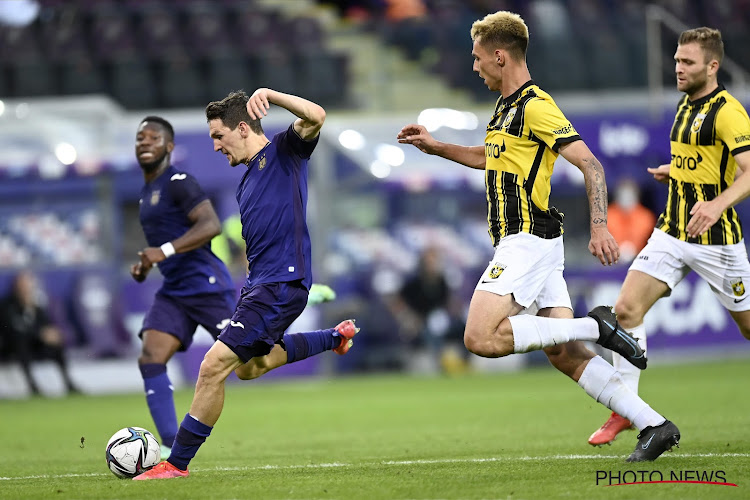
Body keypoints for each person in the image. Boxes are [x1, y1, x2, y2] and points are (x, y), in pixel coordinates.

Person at [397, 10, 678, 462]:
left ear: (500, 56)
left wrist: (601, 224)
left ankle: (598, 325)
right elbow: (490, 157)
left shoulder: (535, 106)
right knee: (564, 353)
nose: (474, 66)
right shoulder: (505, 109)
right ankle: (654, 425)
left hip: (525, 238)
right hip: (537, 244)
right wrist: (438, 146)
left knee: (479, 338)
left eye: (477, 58)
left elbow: (591, 164)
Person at [134, 88, 358, 480]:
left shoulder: (284, 152)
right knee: (250, 367)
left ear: (242, 128)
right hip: (260, 287)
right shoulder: (245, 182)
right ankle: (334, 338)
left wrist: (270, 94)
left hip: (281, 284)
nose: (216, 147)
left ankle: (176, 464)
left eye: (218, 137)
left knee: (212, 365)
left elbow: (317, 115)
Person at [587, 27, 750, 447]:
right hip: (671, 232)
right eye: (676, 60)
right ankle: (626, 409)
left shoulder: (729, 112)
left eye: (688, 62)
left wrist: (716, 204)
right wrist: (673, 172)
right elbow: (700, 163)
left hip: (716, 241)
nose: (678, 68)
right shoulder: (682, 106)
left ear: (712, 67)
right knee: (624, 311)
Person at [131, 116, 238, 460]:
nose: (145, 142)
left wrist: (160, 252)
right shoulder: (146, 194)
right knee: (151, 357)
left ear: (169, 147)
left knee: (254, 363)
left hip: (206, 286)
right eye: (140, 138)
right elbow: (164, 244)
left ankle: (326, 338)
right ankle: (168, 445)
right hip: (175, 289)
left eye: (153, 137)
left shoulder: (179, 181)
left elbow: (211, 225)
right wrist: (148, 263)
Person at [0, 270, 80, 396]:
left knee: (56, 344)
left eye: (29, 284)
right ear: (16, 286)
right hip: (13, 347)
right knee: (20, 342)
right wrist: (39, 334)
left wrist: (51, 334)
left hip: (35, 345)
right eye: (23, 284)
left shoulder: (36, 306)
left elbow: (45, 325)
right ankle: (32, 385)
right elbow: (13, 328)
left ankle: (68, 382)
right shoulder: (7, 305)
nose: (27, 287)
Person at [389, 246, 467, 373]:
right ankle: (443, 363)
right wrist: (408, 317)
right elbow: (397, 301)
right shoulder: (414, 281)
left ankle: (465, 361)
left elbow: (448, 302)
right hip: (421, 322)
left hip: (441, 319)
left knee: (465, 327)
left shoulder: (442, 281)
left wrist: (456, 313)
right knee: (431, 333)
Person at [606, 178, 656, 262]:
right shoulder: (607, 215)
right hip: (611, 260)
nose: (626, 200)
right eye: (623, 197)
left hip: (641, 260)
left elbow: (641, 237)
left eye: (629, 197)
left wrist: (632, 248)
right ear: (617, 198)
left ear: (637, 197)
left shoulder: (646, 216)